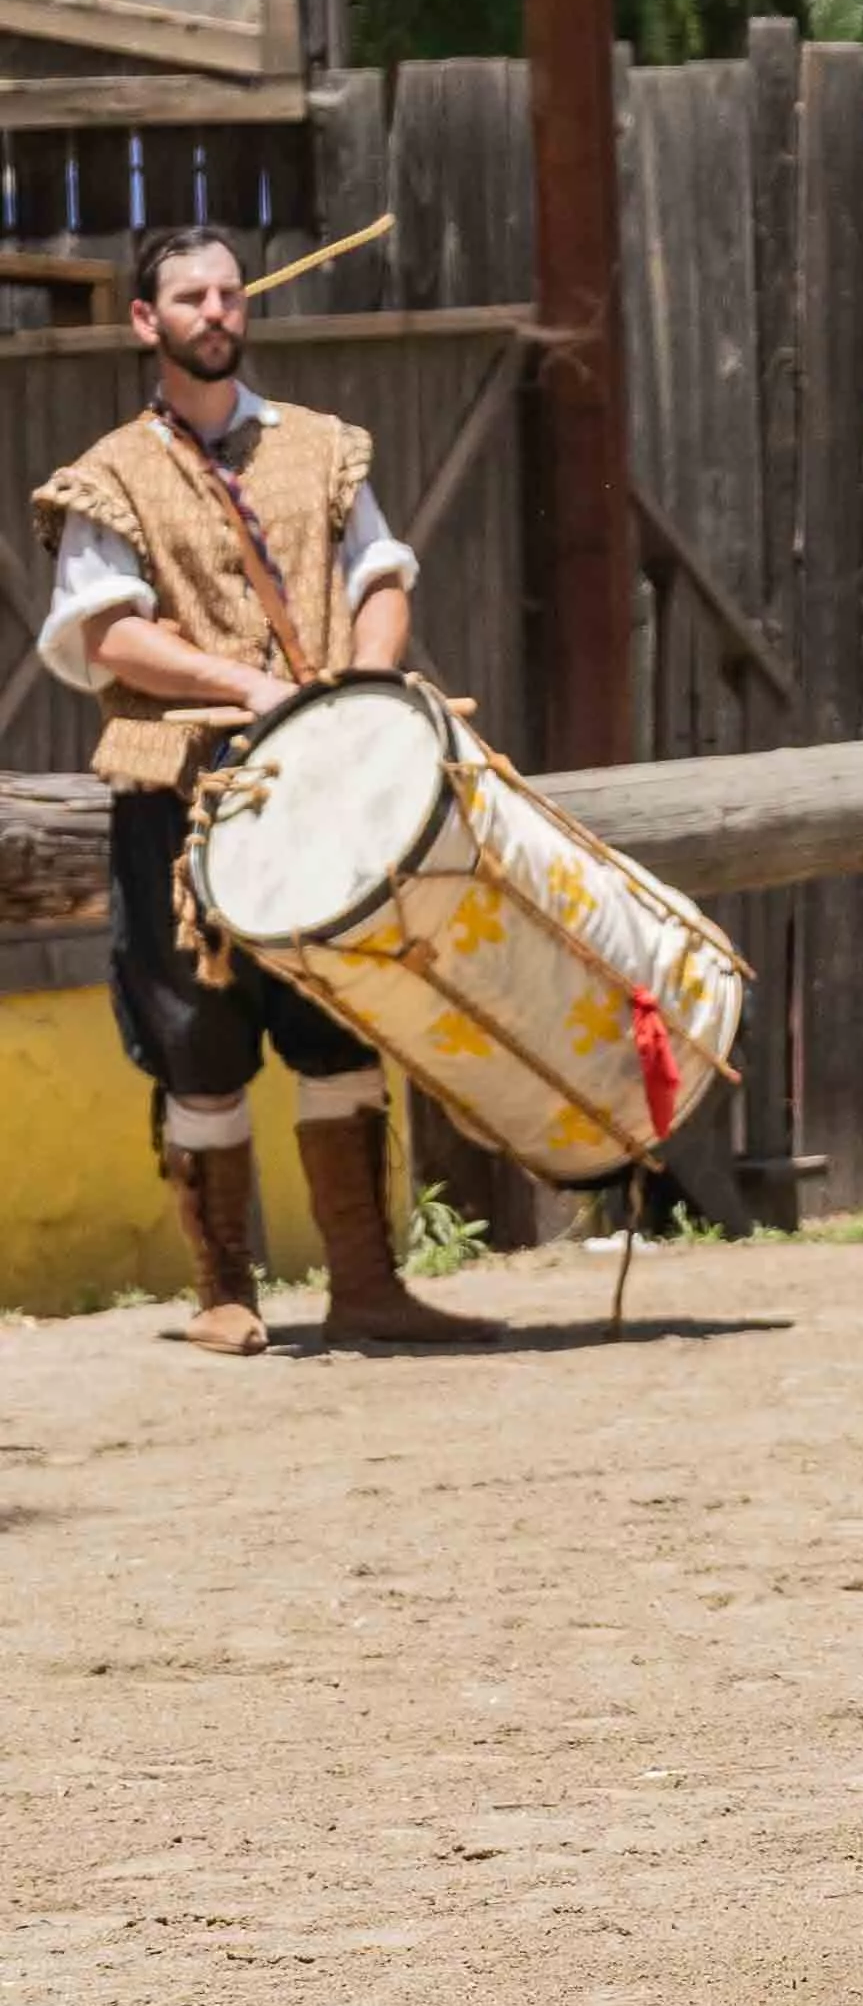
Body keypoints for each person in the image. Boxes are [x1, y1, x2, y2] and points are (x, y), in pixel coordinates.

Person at [37, 219, 484, 1354]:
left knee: (338, 1022)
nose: (217, 314)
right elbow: (108, 638)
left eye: (231, 295)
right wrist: (248, 688)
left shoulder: (323, 449)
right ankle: (224, 1291)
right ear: (147, 322)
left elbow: (381, 578)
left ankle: (368, 1285)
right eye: (192, 298)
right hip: (183, 793)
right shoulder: (111, 477)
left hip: (325, 795)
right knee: (199, 1036)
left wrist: (361, 701)